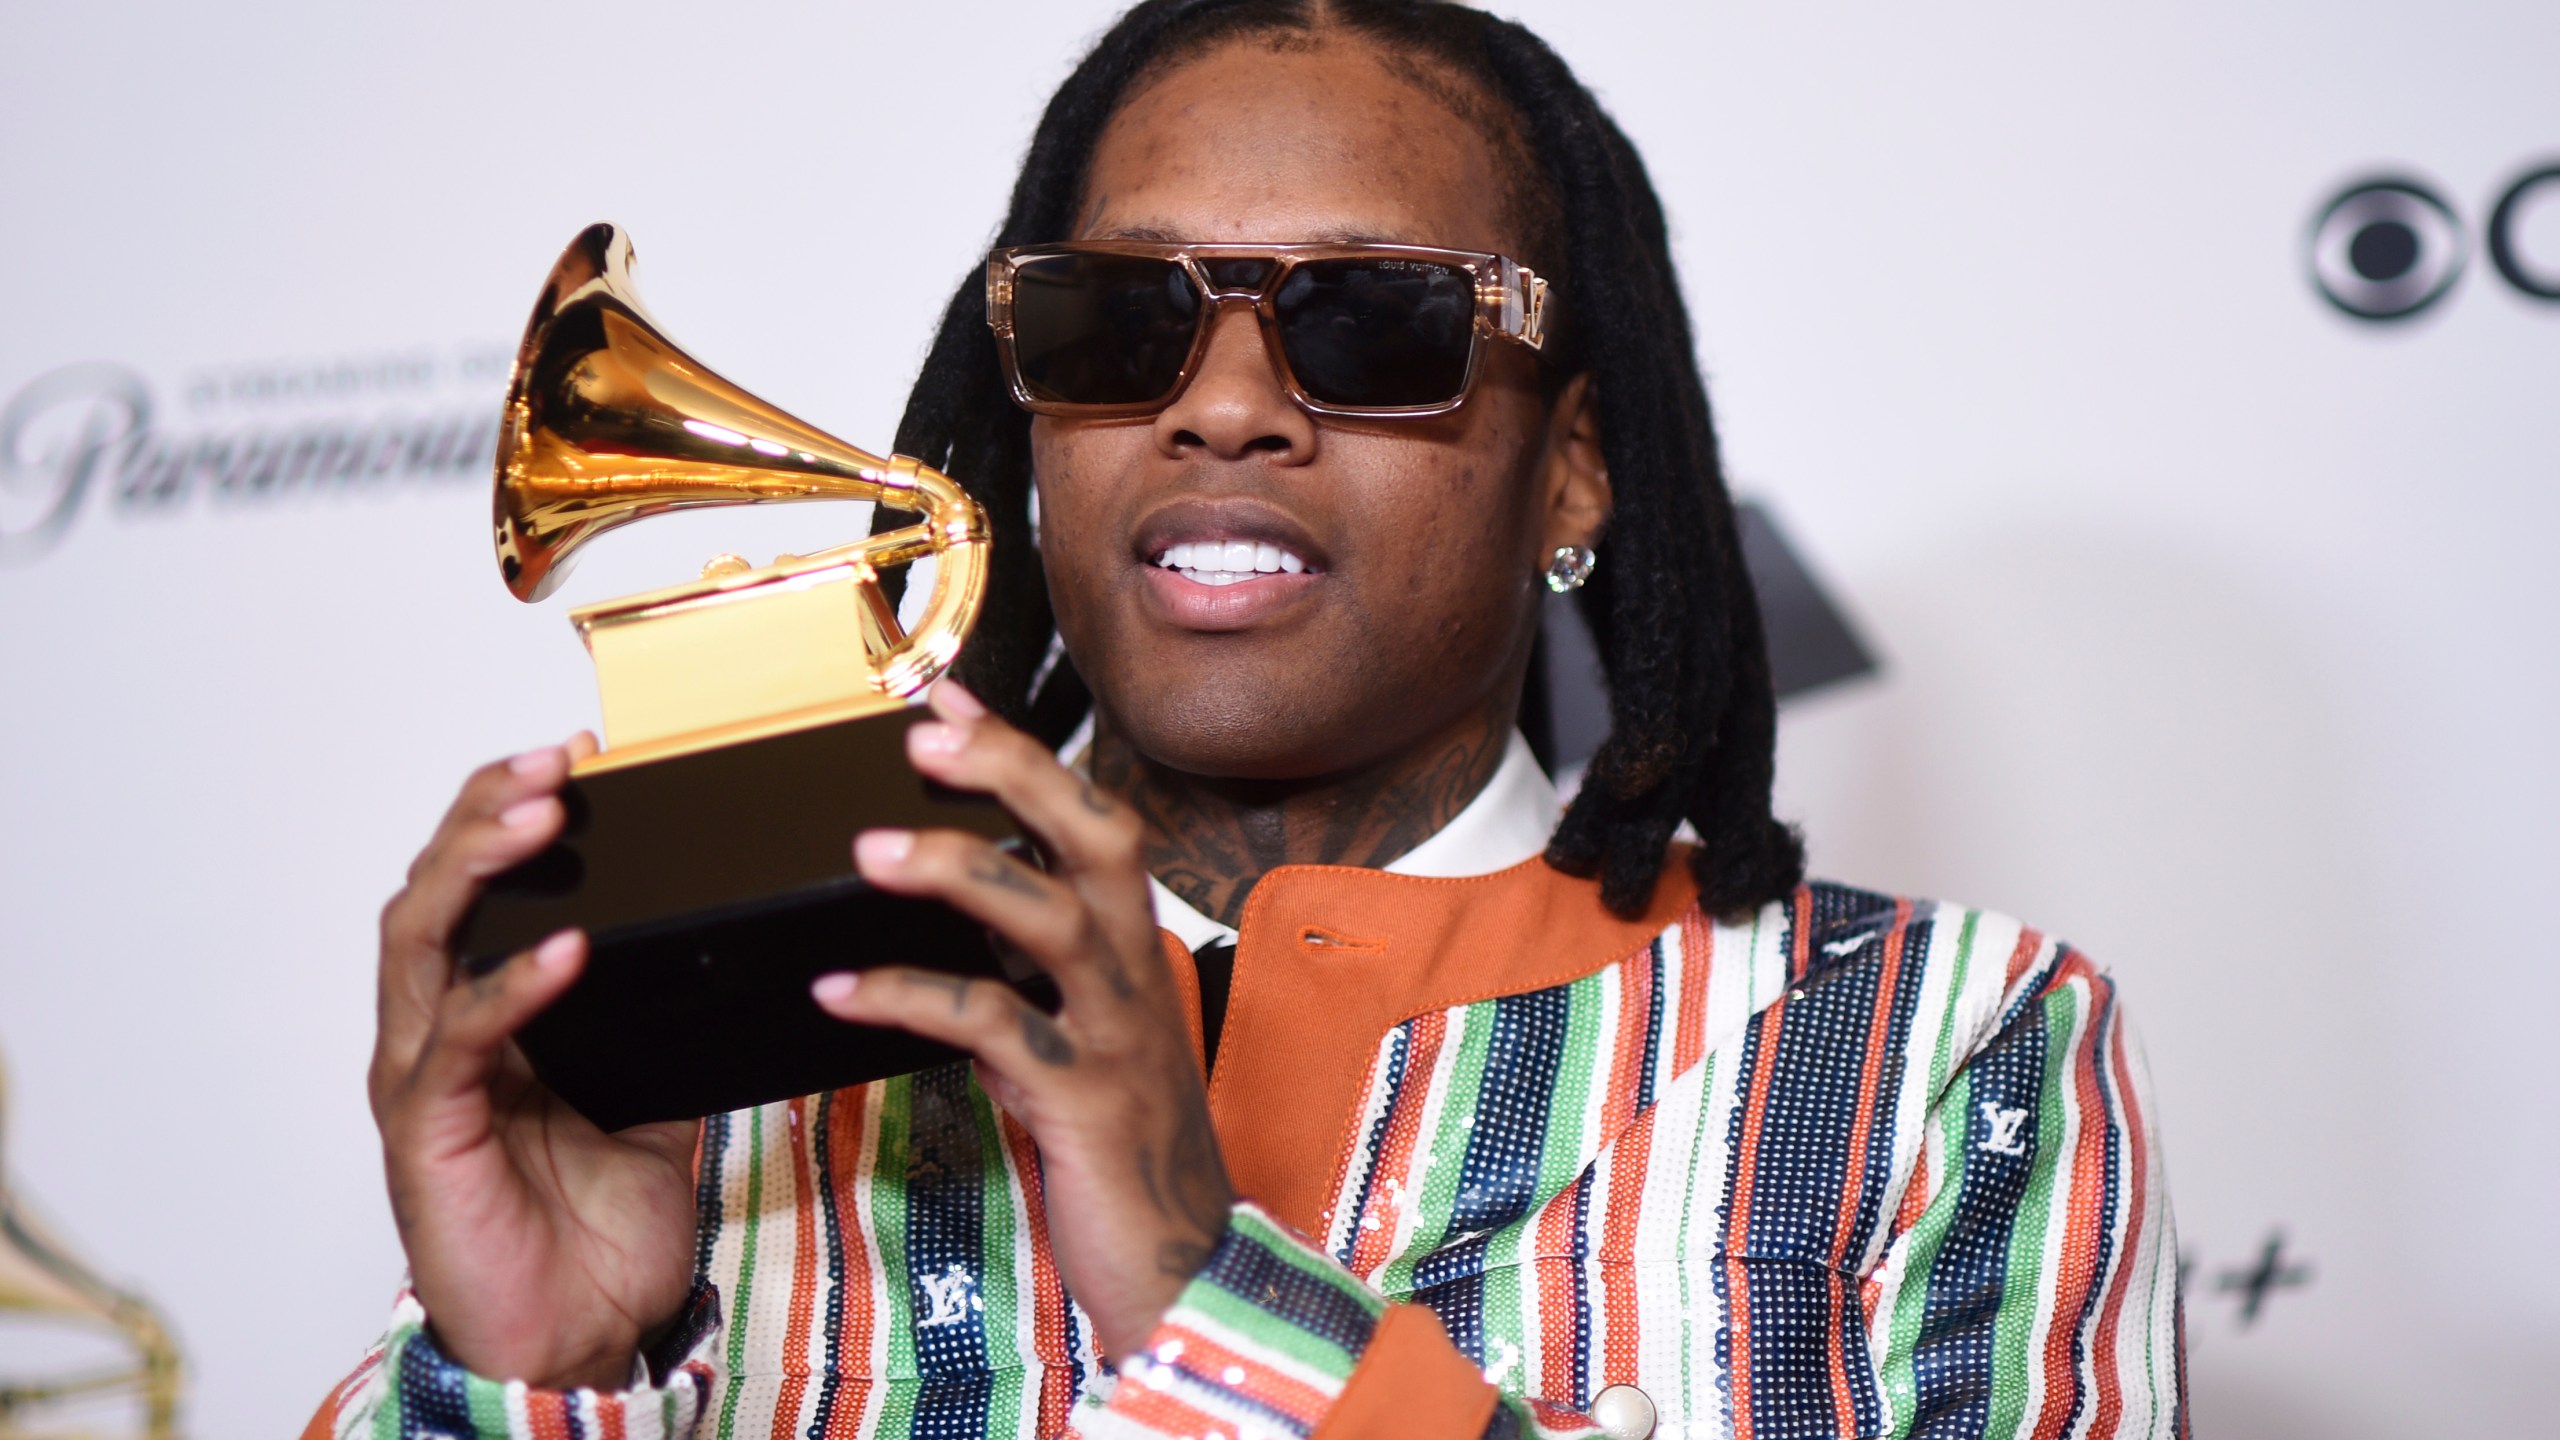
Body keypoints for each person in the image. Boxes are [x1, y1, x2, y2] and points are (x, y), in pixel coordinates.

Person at [311, 2, 2187, 1437]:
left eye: (1375, 323)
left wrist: (1216, 1295)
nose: (1219, 409)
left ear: (1576, 476)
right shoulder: (731, 1062)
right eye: (1118, 324)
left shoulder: (1951, 1050)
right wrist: (528, 1373)